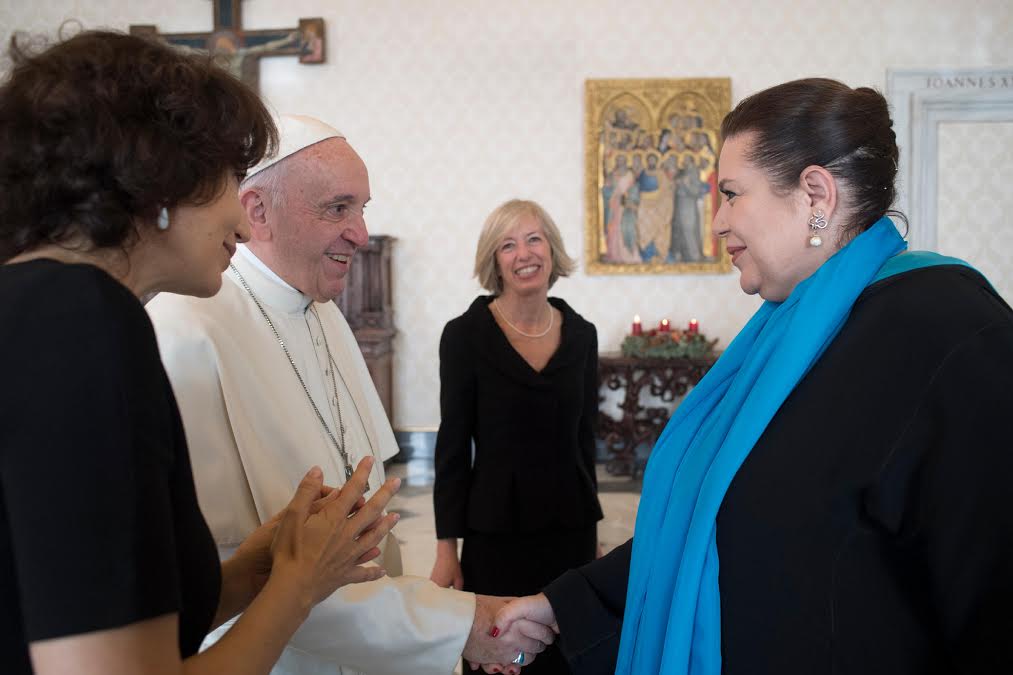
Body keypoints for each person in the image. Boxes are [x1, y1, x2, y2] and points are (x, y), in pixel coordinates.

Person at [491, 78, 1013, 674]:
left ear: (815, 194)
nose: (716, 222)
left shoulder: (952, 331)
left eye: (732, 194)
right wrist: (568, 605)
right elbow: (721, 513)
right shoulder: (783, 332)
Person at [0, 30, 401, 675]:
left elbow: (120, 610)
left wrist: (262, 567)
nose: (241, 223)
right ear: (159, 184)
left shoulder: (41, 306)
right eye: (228, 180)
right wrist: (300, 585)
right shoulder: (83, 320)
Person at [146, 115, 552, 674]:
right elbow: (239, 572)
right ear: (257, 210)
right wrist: (459, 625)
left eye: (362, 208)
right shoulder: (186, 330)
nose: (360, 233)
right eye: (338, 208)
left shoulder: (323, 311)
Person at [431, 199, 603, 674]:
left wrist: (593, 536)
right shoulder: (464, 336)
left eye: (533, 239)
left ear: (551, 249)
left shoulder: (582, 335)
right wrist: (446, 550)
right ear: (495, 261)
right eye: (508, 245)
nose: (524, 253)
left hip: (569, 531)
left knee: (568, 656)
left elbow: (584, 441)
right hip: (495, 535)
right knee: (501, 656)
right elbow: (451, 450)